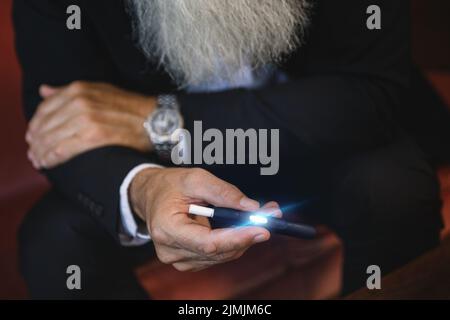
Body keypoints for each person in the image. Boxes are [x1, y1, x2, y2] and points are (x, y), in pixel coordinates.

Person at [14, 0, 448, 299]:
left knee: (396, 189)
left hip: (319, 142)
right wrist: (146, 188)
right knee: (55, 243)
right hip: (165, 169)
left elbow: (369, 93)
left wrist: (163, 117)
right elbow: (59, 118)